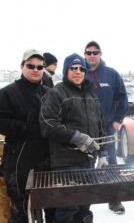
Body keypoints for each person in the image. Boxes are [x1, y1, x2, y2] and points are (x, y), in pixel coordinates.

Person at [39, 53, 108, 223]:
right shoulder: (56, 93)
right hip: (65, 162)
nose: (78, 72)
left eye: (81, 69)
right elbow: (47, 124)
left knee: (85, 204)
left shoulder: (91, 95)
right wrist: (77, 138)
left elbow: (100, 126)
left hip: (88, 160)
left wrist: (104, 153)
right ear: (66, 70)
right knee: (67, 206)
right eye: (73, 68)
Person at [0, 49, 51, 223]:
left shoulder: (47, 92)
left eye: (39, 66)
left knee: (49, 205)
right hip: (18, 160)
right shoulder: (8, 93)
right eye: (30, 66)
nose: (35, 69)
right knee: (21, 209)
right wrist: (24, 127)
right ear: (22, 66)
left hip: (45, 159)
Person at [84, 41, 128, 214]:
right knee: (85, 167)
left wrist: (117, 121)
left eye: (95, 52)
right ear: (85, 54)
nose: (92, 55)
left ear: (101, 54)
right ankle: (83, 203)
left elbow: (122, 98)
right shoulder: (80, 73)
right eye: (89, 52)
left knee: (111, 165)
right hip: (86, 130)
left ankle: (114, 199)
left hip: (108, 129)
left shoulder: (111, 74)